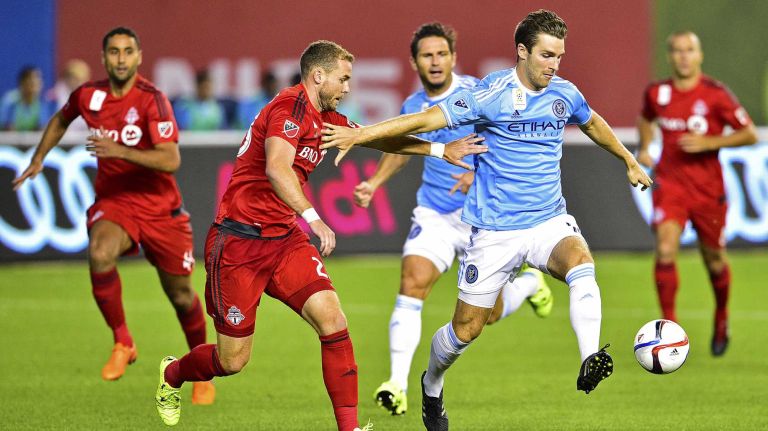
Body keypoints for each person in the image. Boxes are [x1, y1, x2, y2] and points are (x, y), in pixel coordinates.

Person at [321, 10, 652, 430]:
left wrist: (628, 159)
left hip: (548, 220)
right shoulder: (488, 94)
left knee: (581, 263)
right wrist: (360, 133)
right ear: (522, 51)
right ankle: (431, 384)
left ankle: (590, 357)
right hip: (494, 233)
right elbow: (424, 121)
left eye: (559, 57)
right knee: (466, 330)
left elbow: (592, 123)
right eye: (547, 55)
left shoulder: (564, 94)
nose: (554, 65)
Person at [153, 39, 486, 429]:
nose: (348, 88)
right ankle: (172, 374)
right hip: (238, 243)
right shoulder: (287, 110)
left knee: (333, 321)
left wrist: (439, 150)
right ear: (318, 75)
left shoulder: (326, 118)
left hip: (283, 242)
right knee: (232, 361)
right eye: (343, 80)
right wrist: (314, 218)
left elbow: (377, 136)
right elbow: (278, 169)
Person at [354, 22, 552, 417]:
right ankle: (396, 383)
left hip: (482, 217)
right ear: (414, 62)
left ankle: (529, 284)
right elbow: (401, 149)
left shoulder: (480, 92)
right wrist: (374, 182)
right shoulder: (413, 106)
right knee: (412, 283)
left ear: (453, 58)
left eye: (441, 54)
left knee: (488, 316)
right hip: (435, 214)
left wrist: (477, 171)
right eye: (427, 55)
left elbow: (509, 139)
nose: (435, 61)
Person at [12, 27, 215, 405]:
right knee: (100, 252)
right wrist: (38, 157)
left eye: (127, 52)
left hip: (161, 210)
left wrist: (119, 150)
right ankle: (123, 341)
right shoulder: (89, 95)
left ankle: (201, 369)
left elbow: (171, 159)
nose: (121, 59)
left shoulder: (153, 100)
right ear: (104, 58)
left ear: (139, 57)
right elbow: (60, 118)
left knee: (182, 296)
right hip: (116, 202)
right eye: (114, 52)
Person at [637, 31, 757, 357]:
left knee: (715, 262)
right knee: (664, 249)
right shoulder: (657, 93)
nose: (683, 56)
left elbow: (749, 133)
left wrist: (710, 143)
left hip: (708, 191)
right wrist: (647, 148)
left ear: (699, 55)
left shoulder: (715, 94)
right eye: (677, 51)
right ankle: (669, 329)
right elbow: (646, 119)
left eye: (689, 50)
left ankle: (721, 318)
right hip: (671, 186)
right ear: (670, 56)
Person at [0, 66, 53, 131]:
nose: (36, 83)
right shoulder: (9, 101)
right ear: (22, 83)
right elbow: (8, 128)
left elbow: (42, 128)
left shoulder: (41, 104)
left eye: (39, 80)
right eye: (32, 80)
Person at [46, 59, 91, 132]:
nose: (77, 82)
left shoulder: (90, 97)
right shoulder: (54, 96)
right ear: (66, 78)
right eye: (73, 78)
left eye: (80, 79)